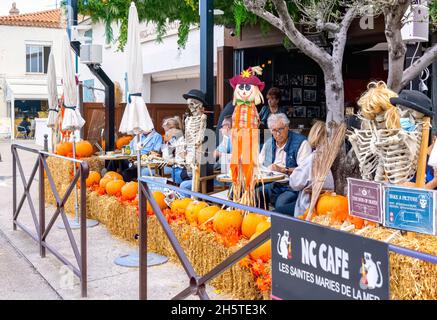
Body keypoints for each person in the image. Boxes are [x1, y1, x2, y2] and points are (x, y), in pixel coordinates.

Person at [258, 113, 312, 214]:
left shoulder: (301, 143)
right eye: (274, 130)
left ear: (287, 127)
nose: (278, 133)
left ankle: (280, 227)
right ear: (270, 131)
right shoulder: (269, 144)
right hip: (273, 183)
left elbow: (305, 172)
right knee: (256, 193)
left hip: (291, 186)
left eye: (281, 129)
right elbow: (260, 166)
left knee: (281, 205)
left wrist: (283, 170)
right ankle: (261, 220)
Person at [289, 121, 335, 217]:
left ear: (314, 135)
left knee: (278, 209)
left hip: (309, 208)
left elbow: (294, 183)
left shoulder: (312, 159)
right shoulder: (328, 158)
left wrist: (294, 172)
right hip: (324, 206)